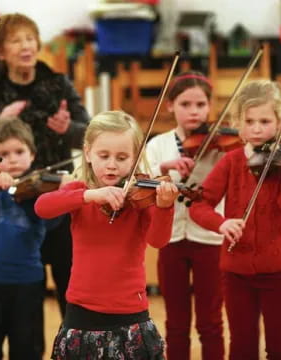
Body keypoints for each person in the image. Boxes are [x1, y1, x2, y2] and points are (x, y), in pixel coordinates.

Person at [0, 12, 89, 351]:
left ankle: (74, 352)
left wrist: (69, 129)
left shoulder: (59, 84)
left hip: (55, 201)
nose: (26, 46)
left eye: (30, 39)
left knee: (71, 295)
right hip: (11, 205)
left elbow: (90, 134)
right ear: (0, 52)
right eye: (16, 40)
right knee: (25, 305)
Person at [189, 80, 281, 360]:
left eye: (264, 121)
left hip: (280, 271)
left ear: (279, 122)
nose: (257, 128)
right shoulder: (231, 162)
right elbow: (199, 205)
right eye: (249, 121)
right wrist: (221, 223)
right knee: (242, 345)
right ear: (238, 123)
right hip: (236, 272)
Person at [34, 110, 179, 359]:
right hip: (81, 313)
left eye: (122, 157)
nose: (112, 164)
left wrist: (165, 207)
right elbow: (42, 206)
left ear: (135, 159)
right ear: (88, 153)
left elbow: (158, 240)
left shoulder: (140, 199)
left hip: (130, 314)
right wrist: (89, 196)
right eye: (104, 155)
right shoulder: (80, 193)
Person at [146, 71, 225, 360]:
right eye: (185, 104)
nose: (194, 111)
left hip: (210, 240)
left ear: (210, 106)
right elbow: (143, 185)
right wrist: (164, 168)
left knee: (211, 321)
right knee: (176, 322)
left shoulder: (223, 145)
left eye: (201, 105)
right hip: (171, 239)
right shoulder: (157, 145)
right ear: (170, 105)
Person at [0, 117, 59, 359]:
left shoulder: (39, 190)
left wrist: (43, 197)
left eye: (19, 151)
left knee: (27, 347)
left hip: (28, 281)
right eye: (3, 154)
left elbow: (54, 221)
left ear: (32, 155)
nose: (12, 159)